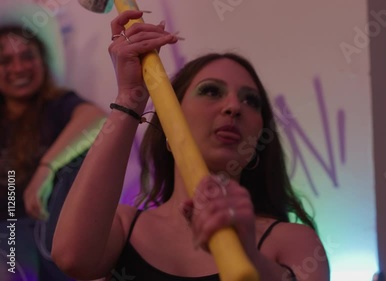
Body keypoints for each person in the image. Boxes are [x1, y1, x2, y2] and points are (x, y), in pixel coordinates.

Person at [52, 10, 330, 281]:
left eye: (251, 101)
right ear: (170, 121)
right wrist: (129, 97)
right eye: (211, 91)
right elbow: (71, 257)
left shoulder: (292, 241)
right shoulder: (123, 227)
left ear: (258, 142)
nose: (234, 107)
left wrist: (248, 255)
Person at [0, 3, 106, 281]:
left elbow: (97, 120)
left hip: (45, 236)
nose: (18, 67)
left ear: (42, 61)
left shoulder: (57, 106)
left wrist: (45, 170)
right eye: (5, 61)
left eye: (27, 56)